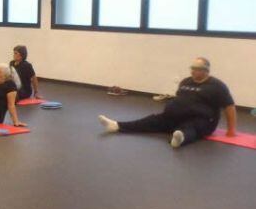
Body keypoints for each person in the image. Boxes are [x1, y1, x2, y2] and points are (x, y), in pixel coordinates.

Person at [98, 57, 237, 148]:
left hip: (202, 120)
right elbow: (180, 99)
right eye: (192, 68)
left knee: (191, 128)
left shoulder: (217, 86)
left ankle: (179, 139)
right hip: (174, 117)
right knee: (151, 120)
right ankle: (116, 126)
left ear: (205, 70)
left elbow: (229, 107)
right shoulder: (186, 81)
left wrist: (231, 130)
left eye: (197, 69)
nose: (193, 71)